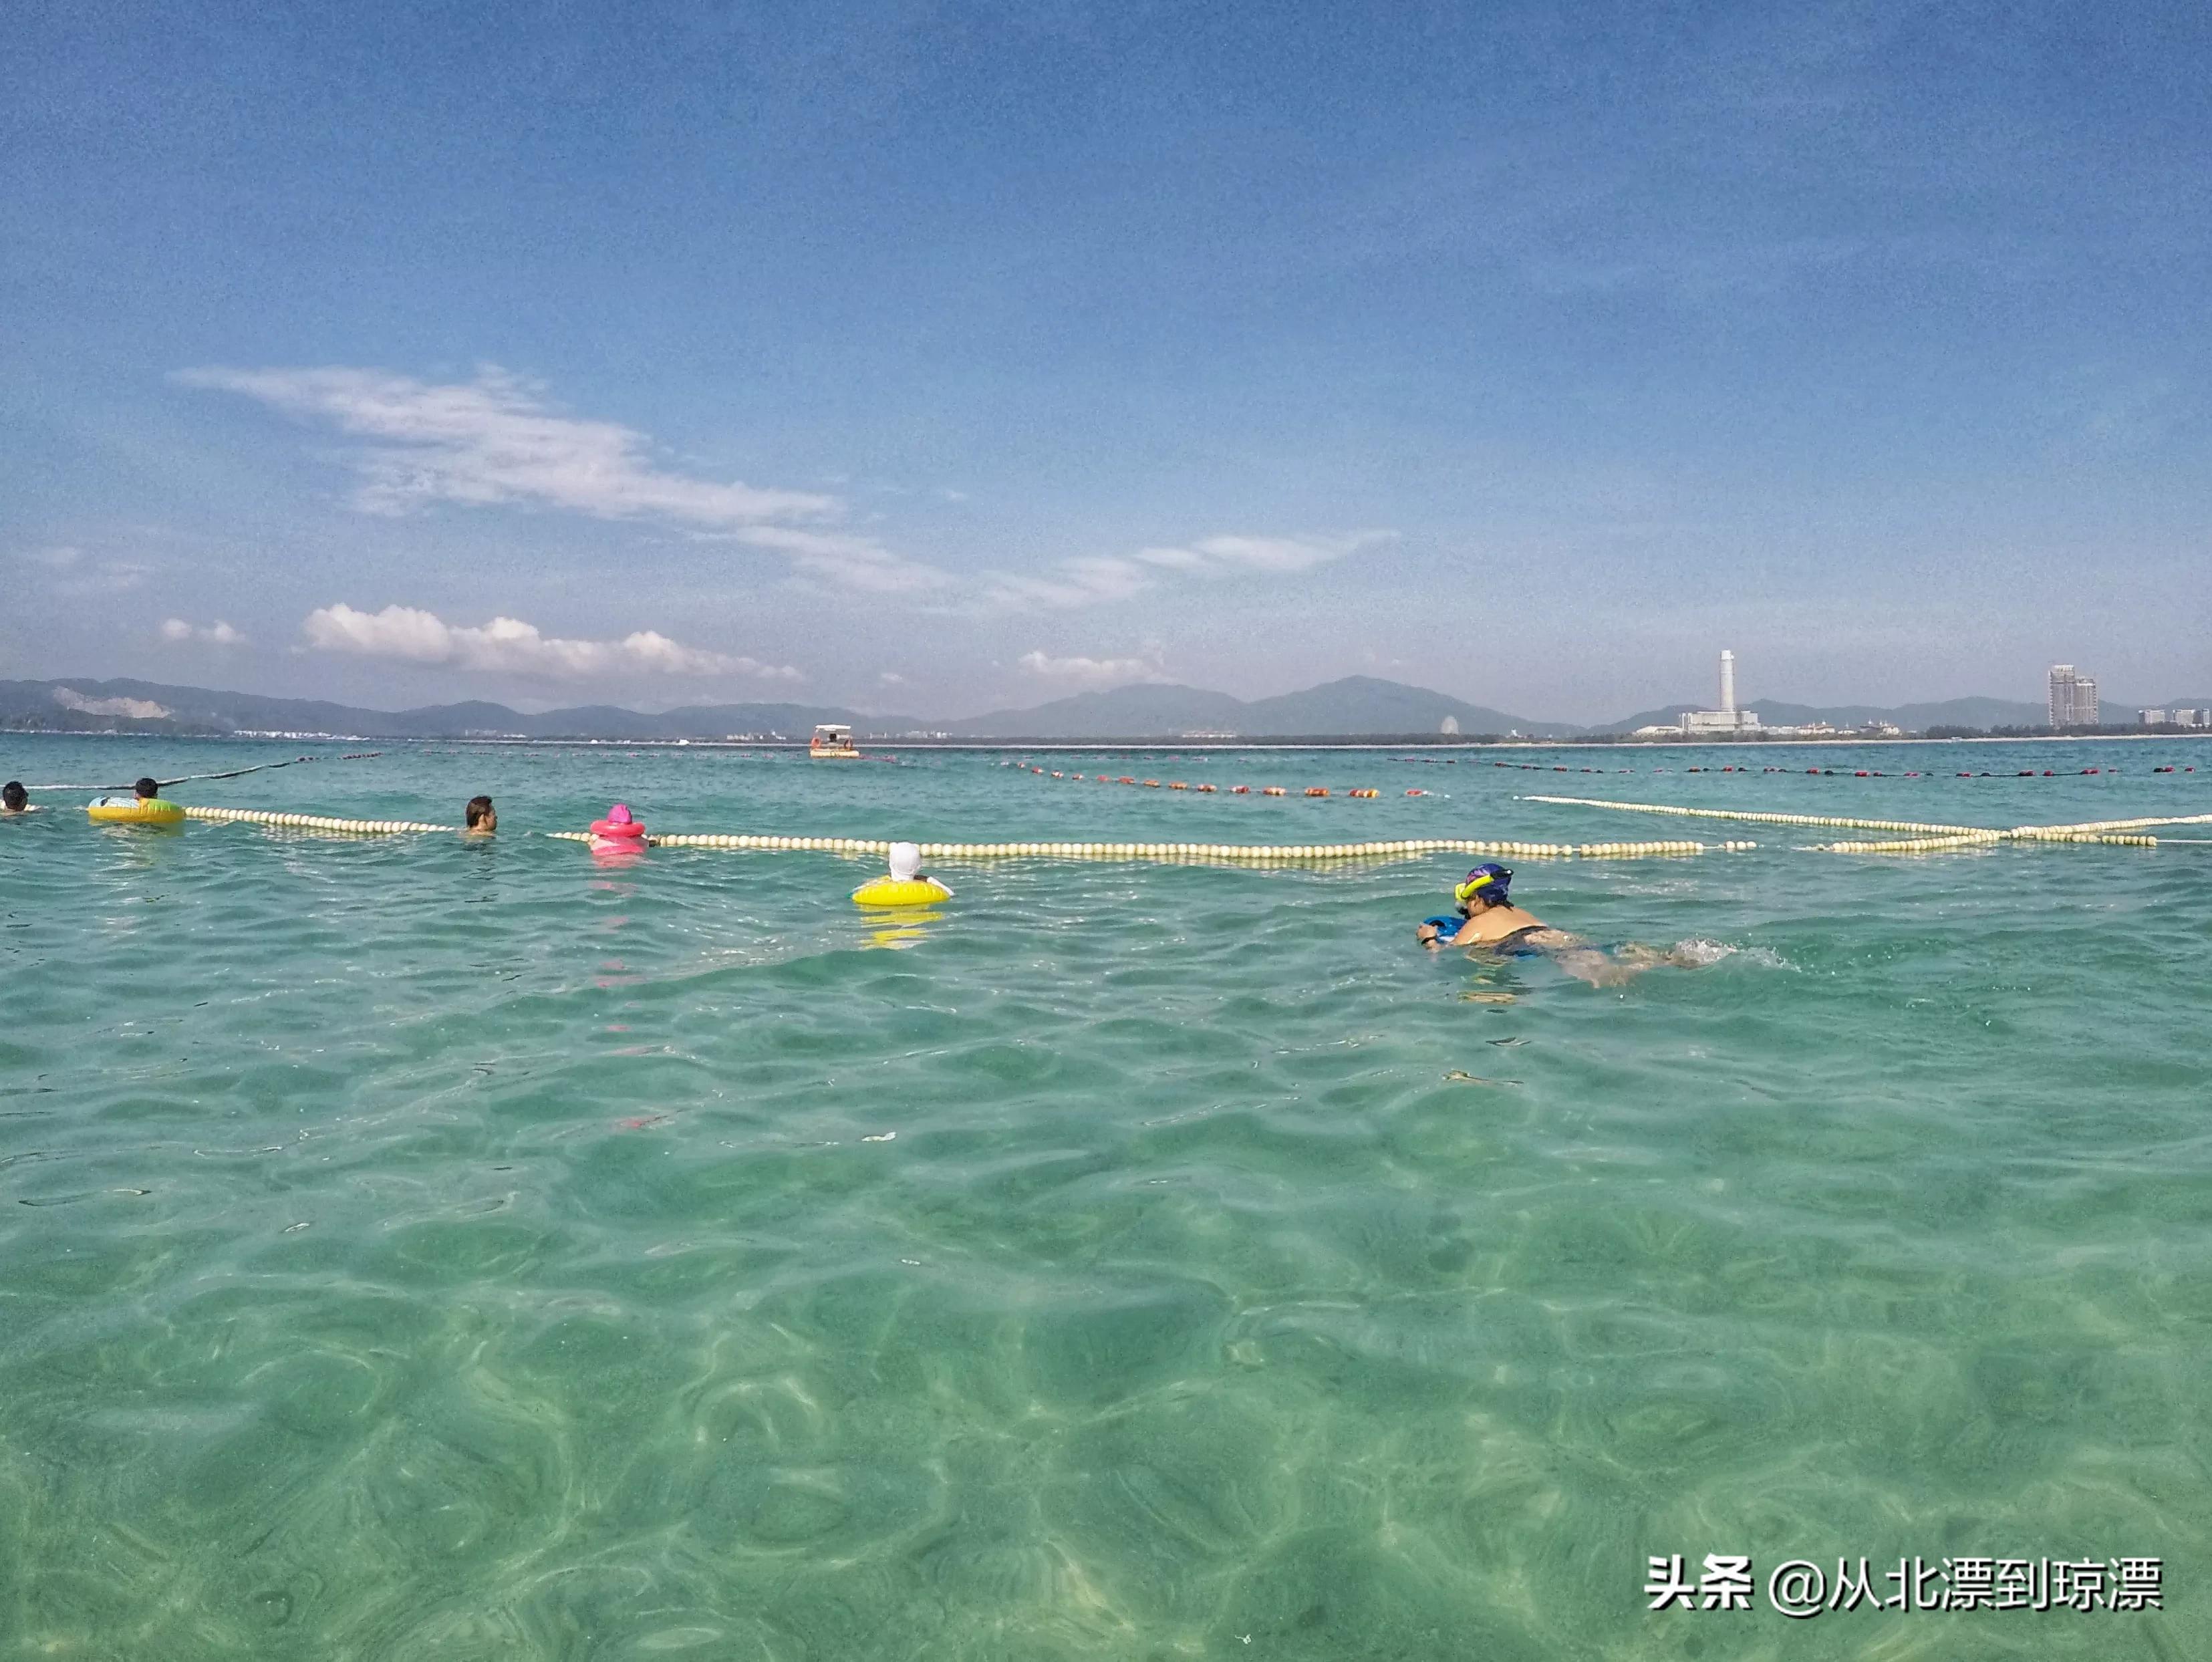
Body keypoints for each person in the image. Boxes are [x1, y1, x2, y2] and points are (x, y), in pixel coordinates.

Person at [1417, 863, 1699, 988]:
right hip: (1550, 934)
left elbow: (1449, 955)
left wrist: (1429, 939)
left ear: (1478, 900)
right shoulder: (1519, 912)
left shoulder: (1479, 923)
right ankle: (1665, 958)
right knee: (1595, 952)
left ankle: (1630, 971)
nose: (1467, 907)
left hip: (1526, 943)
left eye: (1468, 900)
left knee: (1602, 976)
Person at [885, 841, 952, 899]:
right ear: (919, 867)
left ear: (890, 864)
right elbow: (950, 894)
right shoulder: (927, 890)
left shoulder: (883, 887)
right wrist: (931, 880)